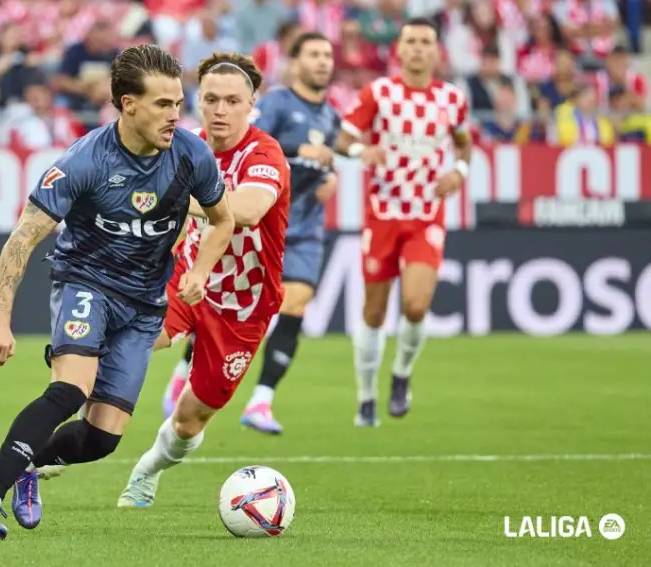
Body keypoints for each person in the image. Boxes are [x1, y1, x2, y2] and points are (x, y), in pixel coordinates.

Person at [0, 44, 235, 541]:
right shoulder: (84, 161)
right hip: (86, 282)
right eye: (163, 105)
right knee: (69, 390)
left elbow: (223, 218)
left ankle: (27, 466)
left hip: (146, 304)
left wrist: (201, 271)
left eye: (178, 102)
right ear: (128, 104)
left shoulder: (192, 155)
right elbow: (23, 238)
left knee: (102, 437)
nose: (177, 116)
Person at [116, 52, 291, 508]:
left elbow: (249, 212)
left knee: (190, 420)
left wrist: (175, 197)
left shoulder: (264, 154)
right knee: (131, 342)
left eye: (232, 101)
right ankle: (79, 433)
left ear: (252, 104)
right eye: (210, 99)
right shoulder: (182, 145)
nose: (220, 110)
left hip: (243, 303)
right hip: (182, 280)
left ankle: (148, 467)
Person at [161, 32, 340, 435]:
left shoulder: (330, 114)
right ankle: (185, 364)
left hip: (298, 226)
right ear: (294, 62)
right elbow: (262, 150)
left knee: (295, 302)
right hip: (236, 229)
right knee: (204, 294)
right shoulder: (275, 106)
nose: (323, 62)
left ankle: (262, 397)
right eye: (314, 53)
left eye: (328, 54)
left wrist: (332, 170)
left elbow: (327, 154)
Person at [333, 18, 472, 426]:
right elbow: (343, 138)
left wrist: (458, 174)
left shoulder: (452, 99)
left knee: (415, 305)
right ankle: (365, 397)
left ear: (436, 51)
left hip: (426, 214)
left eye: (425, 42)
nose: (416, 48)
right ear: (399, 50)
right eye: (410, 41)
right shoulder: (379, 93)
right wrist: (362, 152)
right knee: (374, 313)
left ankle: (402, 375)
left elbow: (465, 148)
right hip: (383, 216)